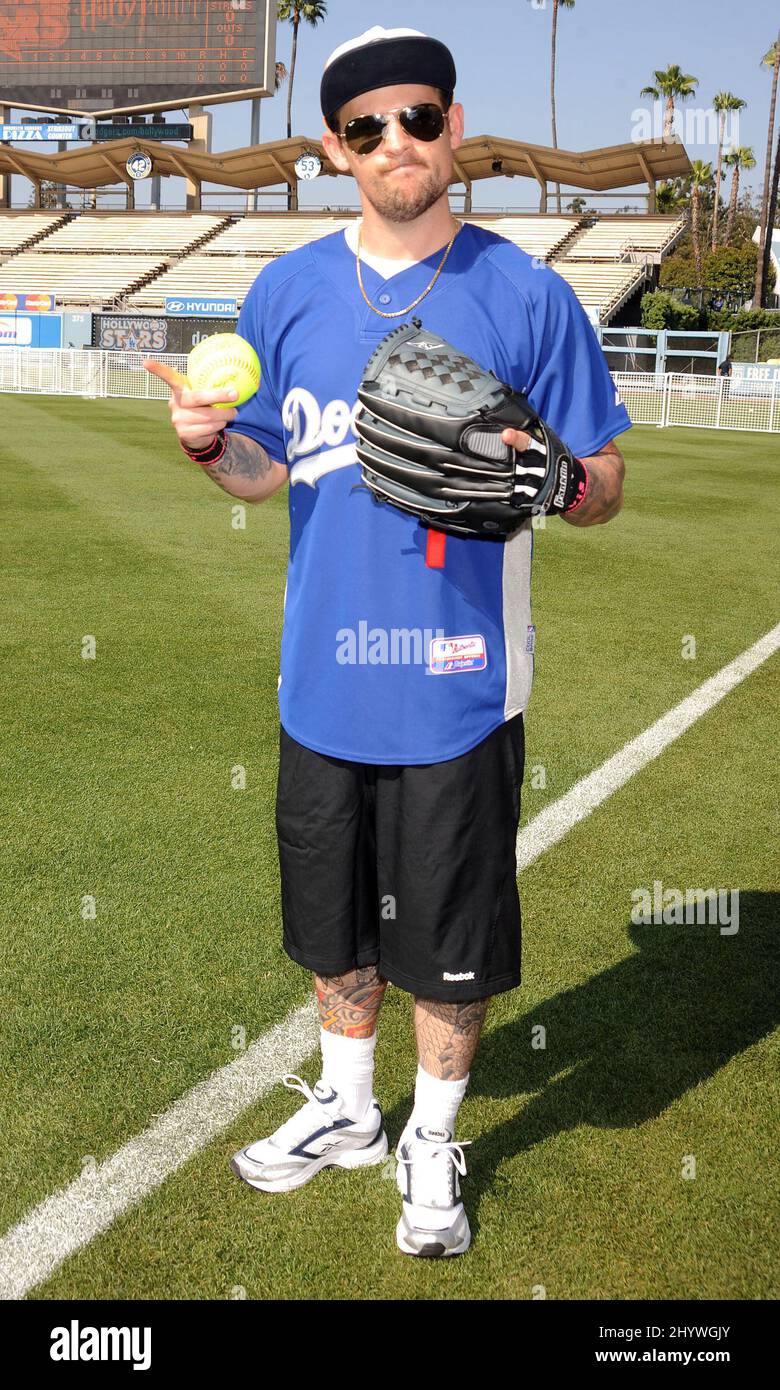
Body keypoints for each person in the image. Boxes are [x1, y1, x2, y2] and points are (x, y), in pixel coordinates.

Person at [146, 26, 630, 1259]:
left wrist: (556, 484)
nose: (396, 144)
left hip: (457, 692)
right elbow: (261, 476)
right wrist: (211, 448)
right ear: (334, 147)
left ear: (454, 124)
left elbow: (608, 476)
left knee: (449, 949)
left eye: (418, 118)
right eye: (366, 128)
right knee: (331, 931)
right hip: (321, 687)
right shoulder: (289, 289)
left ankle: (432, 1141)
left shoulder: (525, 291)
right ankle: (353, 1111)